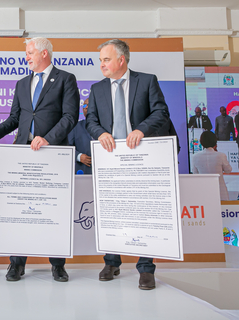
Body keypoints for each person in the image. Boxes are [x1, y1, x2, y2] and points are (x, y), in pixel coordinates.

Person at [0, 37, 79, 282]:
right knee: (20, 209)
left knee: (54, 209)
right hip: (22, 153)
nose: (26, 57)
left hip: (53, 151)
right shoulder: (21, 83)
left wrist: (47, 138)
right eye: (26, 53)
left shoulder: (66, 79)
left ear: (44, 54)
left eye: (29, 53)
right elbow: (15, 118)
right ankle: (17, 264)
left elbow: (70, 117)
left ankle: (58, 265)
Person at [86, 39, 170, 290]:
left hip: (141, 155)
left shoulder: (147, 81)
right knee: (111, 212)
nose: (101, 64)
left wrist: (141, 129)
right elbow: (90, 119)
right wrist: (100, 132)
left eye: (106, 59)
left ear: (121, 60)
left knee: (142, 213)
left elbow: (160, 112)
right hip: (110, 158)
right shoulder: (97, 88)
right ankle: (112, 262)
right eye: (100, 60)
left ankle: (146, 269)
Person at [192, 131, 232, 200]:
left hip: (203, 191)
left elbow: (195, 174)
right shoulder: (221, 155)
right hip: (220, 191)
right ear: (215, 141)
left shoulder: (195, 157)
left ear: (201, 142)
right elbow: (228, 170)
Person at [69, 98, 92, 174]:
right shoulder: (75, 126)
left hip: (104, 173)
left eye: (89, 104)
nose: (86, 107)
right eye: (84, 105)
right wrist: (78, 156)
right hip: (82, 171)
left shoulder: (106, 126)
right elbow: (67, 146)